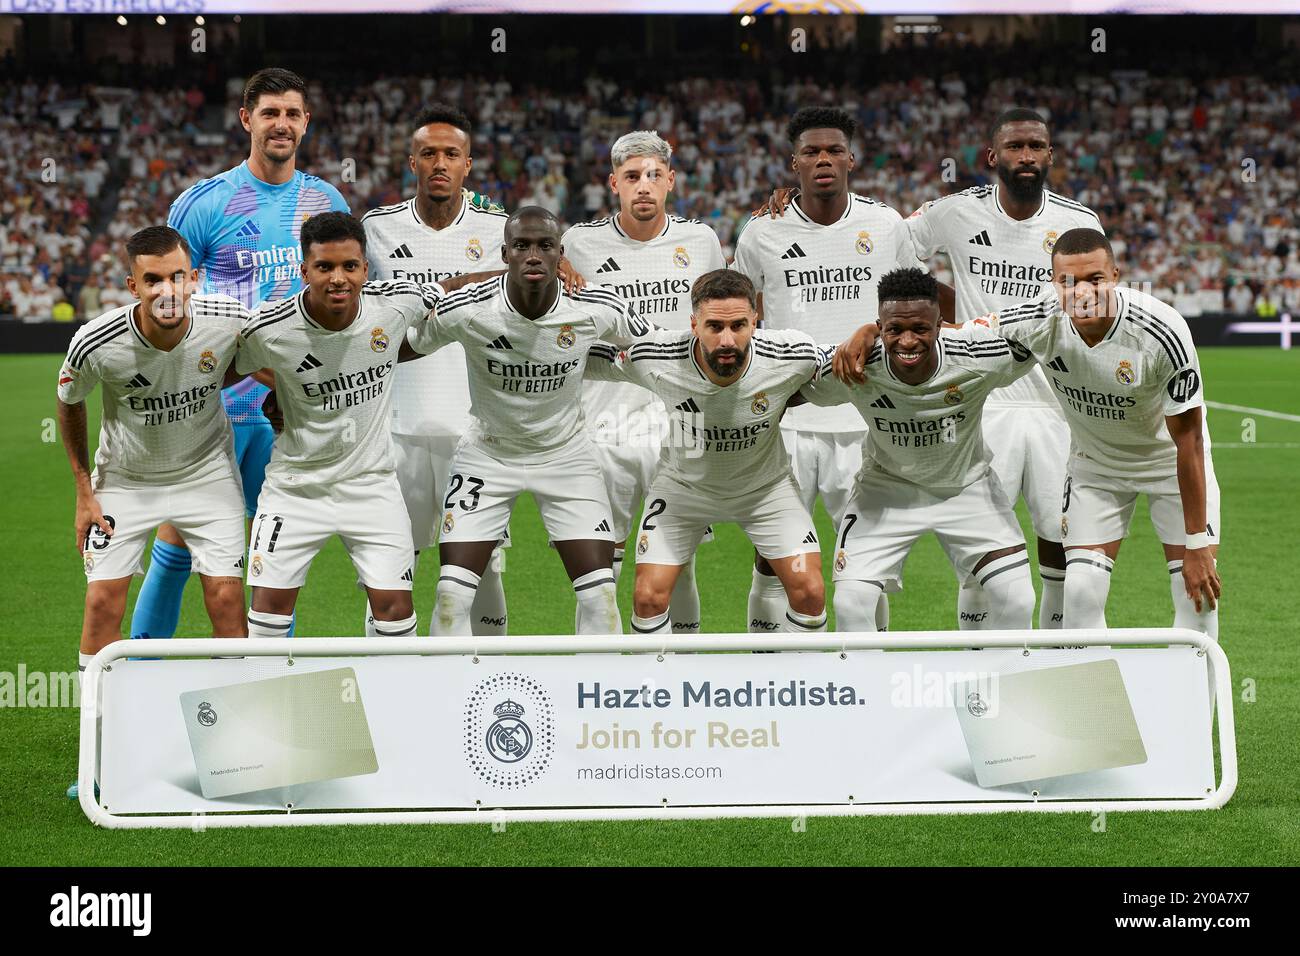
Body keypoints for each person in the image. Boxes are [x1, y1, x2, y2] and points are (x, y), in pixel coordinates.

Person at [838, 229, 1222, 636]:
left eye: (1095, 280)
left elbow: (1190, 442)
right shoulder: (1038, 319)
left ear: (1116, 275)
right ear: (1053, 283)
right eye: (1068, 282)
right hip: (1097, 468)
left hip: (1168, 465)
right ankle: (1091, 700)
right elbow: (956, 337)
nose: (1083, 293)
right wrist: (872, 332)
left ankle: (1195, 700)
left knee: (1195, 595)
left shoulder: (1162, 330)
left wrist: (1197, 542)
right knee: (1081, 592)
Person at [131, 67, 349, 642]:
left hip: (291, 411)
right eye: (270, 112)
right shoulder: (204, 204)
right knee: (177, 550)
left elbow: (339, 304)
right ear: (247, 119)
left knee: (276, 560)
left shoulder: (324, 200)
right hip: (215, 407)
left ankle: (263, 684)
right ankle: (140, 680)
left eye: (292, 113)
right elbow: (170, 306)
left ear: (306, 122)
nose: (282, 124)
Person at [57, 226, 249, 799]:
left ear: (194, 278)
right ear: (132, 284)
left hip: (208, 476)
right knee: (100, 602)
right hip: (126, 483)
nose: (168, 291)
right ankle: (98, 754)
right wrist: (83, 490)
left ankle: (234, 755)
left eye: (177, 277)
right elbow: (68, 403)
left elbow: (265, 361)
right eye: (153, 280)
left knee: (224, 598)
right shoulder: (97, 342)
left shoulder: (227, 318)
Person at [402, 207, 653, 635]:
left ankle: (594, 695)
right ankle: (452, 696)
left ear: (561, 255)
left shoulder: (596, 306)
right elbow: (400, 348)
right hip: (487, 456)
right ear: (505, 253)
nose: (532, 255)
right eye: (521, 246)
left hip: (567, 458)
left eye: (544, 246)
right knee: (451, 596)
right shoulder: (468, 308)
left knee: (600, 595)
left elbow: (654, 350)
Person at [904, 108, 1106, 630]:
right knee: (978, 552)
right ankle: (976, 667)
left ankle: (1056, 658)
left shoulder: (1078, 222)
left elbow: (1096, 305)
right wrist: (944, 311)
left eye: (1036, 147)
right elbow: (894, 253)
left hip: (1055, 404)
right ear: (992, 157)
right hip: (981, 401)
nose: (1026, 156)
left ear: (1050, 156)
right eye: (1015, 147)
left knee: (1059, 542)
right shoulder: (954, 212)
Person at [731, 106, 921, 633]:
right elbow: (734, 314)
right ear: (794, 163)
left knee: (866, 566)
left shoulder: (884, 225)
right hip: (787, 421)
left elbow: (915, 309)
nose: (823, 160)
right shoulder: (761, 233)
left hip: (867, 420)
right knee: (772, 559)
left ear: (851, 160)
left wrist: (876, 335)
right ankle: (772, 672)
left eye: (834, 150)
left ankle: (870, 672)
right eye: (811, 151)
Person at [235, 212, 447, 640]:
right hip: (295, 489)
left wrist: (531, 267)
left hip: (372, 486)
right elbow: (222, 367)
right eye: (324, 267)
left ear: (365, 269)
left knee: (394, 611)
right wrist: (283, 384)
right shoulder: (269, 328)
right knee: (268, 614)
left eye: (350, 266)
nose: (338, 278)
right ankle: (267, 700)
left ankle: (388, 704)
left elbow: (456, 288)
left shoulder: (395, 303)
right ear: (304, 271)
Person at [586, 269, 828, 634]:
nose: (727, 340)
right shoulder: (657, 354)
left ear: (754, 321)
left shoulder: (790, 353)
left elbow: (849, 360)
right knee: (648, 598)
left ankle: (795, 687)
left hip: (766, 492)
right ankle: (661, 689)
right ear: (694, 324)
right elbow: (577, 357)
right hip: (683, 491)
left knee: (810, 591)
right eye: (714, 326)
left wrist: (869, 332)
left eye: (739, 326)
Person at [803, 268, 1036, 631]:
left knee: (1017, 599)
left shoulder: (977, 355)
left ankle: (996, 685)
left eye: (920, 329)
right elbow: (791, 383)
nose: (908, 341)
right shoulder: (856, 365)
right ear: (879, 326)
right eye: (895, 329)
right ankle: (867, 689)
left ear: (941, 325)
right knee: (851, 604)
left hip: (967, 489)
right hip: (885, 491)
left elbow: (1043, 335)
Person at [562, 130, 727, 633]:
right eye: (632, 176)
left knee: (678, 561)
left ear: (671, 181)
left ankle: (681, 674)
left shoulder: (700, 242)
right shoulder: (579, 243)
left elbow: (718, 323)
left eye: (654, 175)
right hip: (601, 422)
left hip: (679, 424)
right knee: (598, 569)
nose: (644, 186)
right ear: (613, 183)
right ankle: (602, 677)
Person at [361, 105, 512, 636]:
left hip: (474, 428)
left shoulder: (499, 231)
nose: (440, 162)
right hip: (395, 426)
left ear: (468, 164)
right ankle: (386, 680)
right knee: (391, 565)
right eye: (429, 153)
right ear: (412, 163)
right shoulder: (377, 230)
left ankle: (485, 678)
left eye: (452, 154)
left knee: (482, 564)